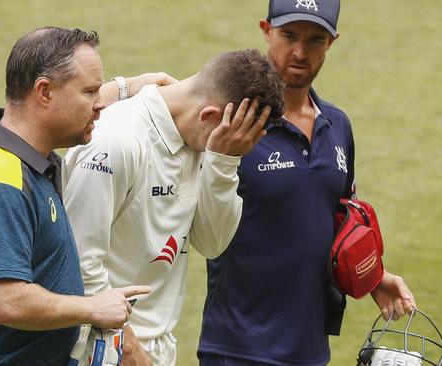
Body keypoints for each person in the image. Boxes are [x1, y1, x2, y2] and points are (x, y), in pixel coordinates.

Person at [0, 26, 178, 366]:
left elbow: (72, 98)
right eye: (90, 92)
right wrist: (93, 307)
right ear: (44, 92)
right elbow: (6, 301)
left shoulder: (8, 140)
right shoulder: (0, 183)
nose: (99, 105)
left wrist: (128, 86)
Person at [197, 1, 417, 365]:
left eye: (315, 40)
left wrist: (375, 276)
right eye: (289, 36)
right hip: (238, 349)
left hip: (311, 350)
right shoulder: (234, 125)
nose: (300, 52)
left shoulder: (337, 125)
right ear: (266, 31)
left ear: (332, 42)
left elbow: (341, 219)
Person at [62, 49, 284, 365]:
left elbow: (212, 243)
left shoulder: (204, 138)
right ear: (208, 115)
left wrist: (224, 160)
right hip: (101, 349)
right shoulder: (117, 142)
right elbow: (78, 261)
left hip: (155, 347)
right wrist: (124, 344)